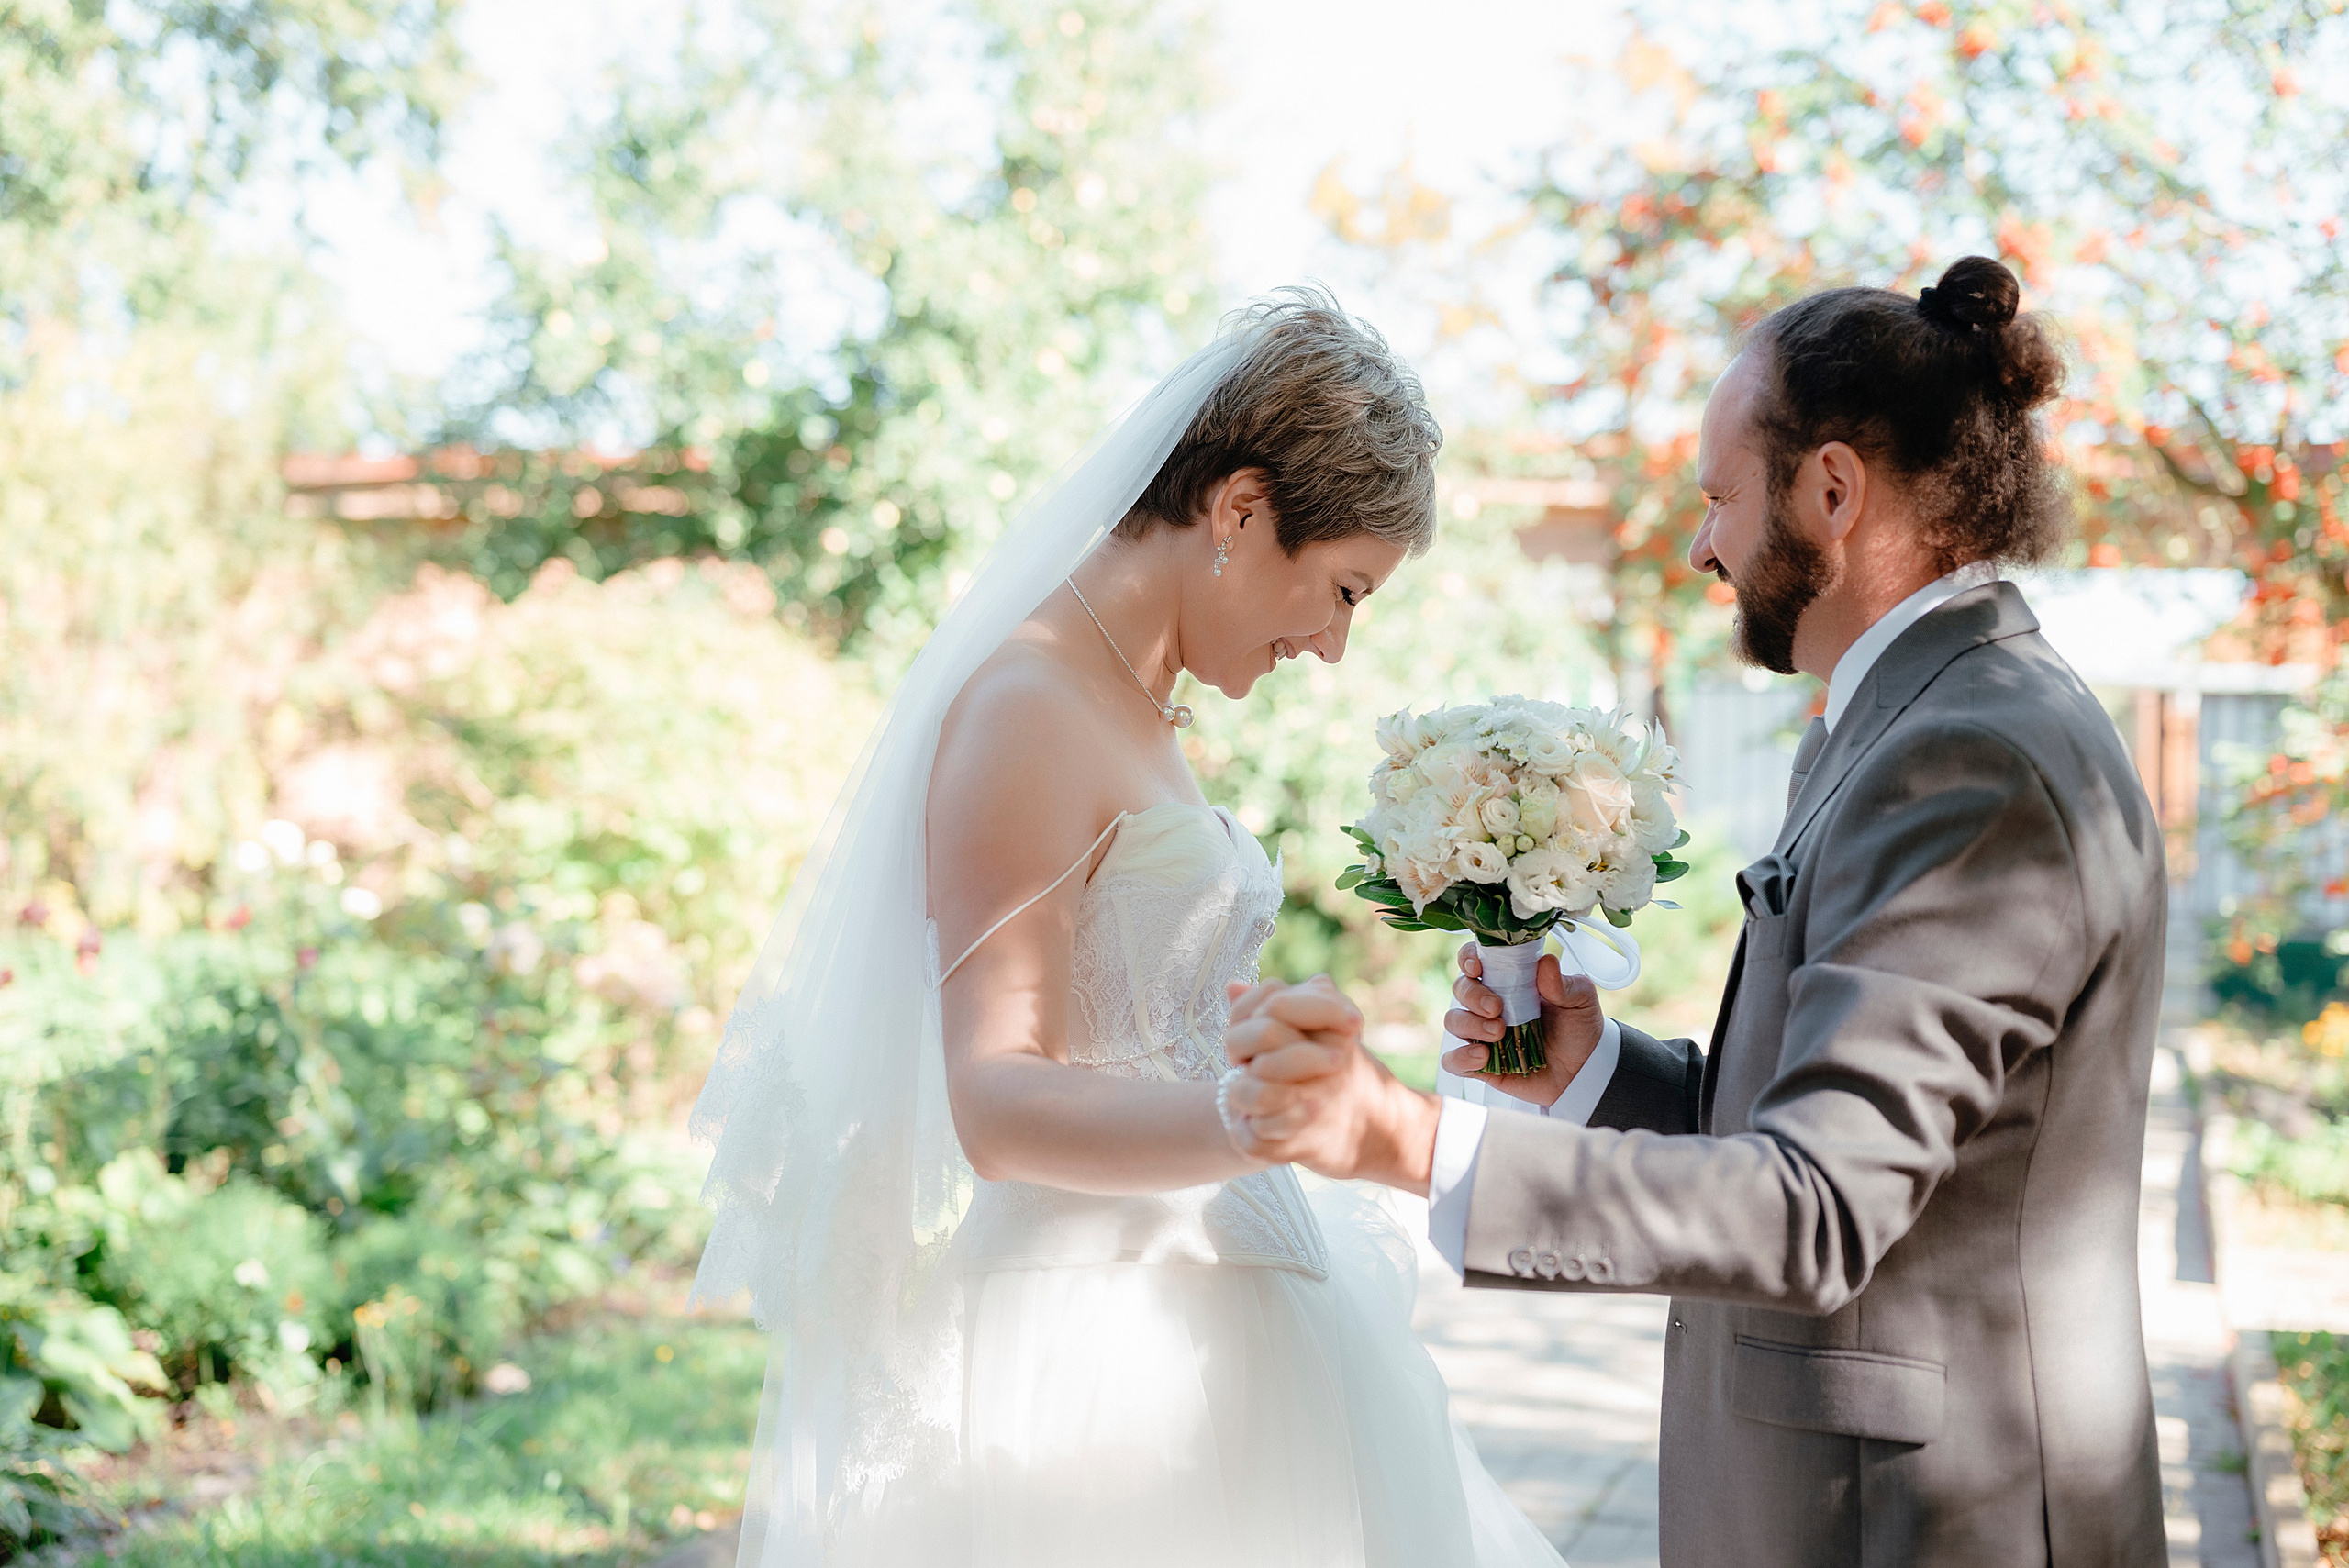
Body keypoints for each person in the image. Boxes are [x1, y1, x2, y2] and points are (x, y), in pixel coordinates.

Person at [1225, 256, 2170, 1566]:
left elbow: (1815, 1204)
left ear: (1831, 490)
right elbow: (1848, 1125)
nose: (1703, 543)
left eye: (1721, 496)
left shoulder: (1971, 759)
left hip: (1927, 1523)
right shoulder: (1913, 721)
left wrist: (1405, 1138)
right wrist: (1600, 1069)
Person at [688, 288, 1566, 1567]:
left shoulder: (1136, 697)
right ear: (1241, 510)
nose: (1329, 646)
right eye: (1342, 590)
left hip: (1221, 1316)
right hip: (1094, 1360)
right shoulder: (1027, 706)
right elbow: (995, 1099)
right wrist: (1243, 1118)